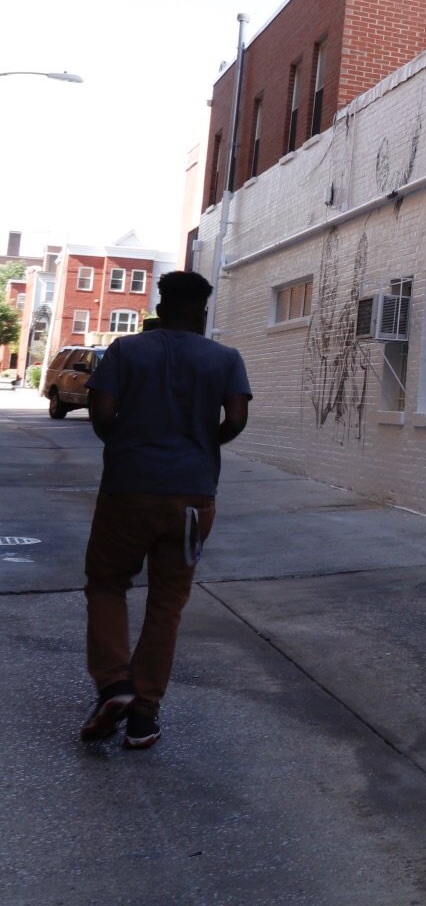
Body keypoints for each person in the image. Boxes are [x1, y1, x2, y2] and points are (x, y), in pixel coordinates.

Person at [78, 270, 250, 748]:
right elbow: (236, 419)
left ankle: (114, 685)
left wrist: (126, 445)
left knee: (107, 584)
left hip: (128, 489)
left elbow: (102, 413)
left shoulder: (125, 350)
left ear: (160, 306)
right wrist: (201, 446)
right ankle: (143, 716)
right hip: (193, 495)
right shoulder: (225, 358)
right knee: (167, 603)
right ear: (202, 311)